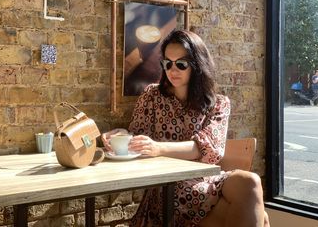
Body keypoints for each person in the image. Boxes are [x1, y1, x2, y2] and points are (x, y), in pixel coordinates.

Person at [102, 30, 270, 227]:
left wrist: (158, 148)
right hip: (170, 186)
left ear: (197, 65)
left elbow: (209, 150)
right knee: (260, 218)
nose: (173, 70)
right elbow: (138, 135)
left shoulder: (219, 104)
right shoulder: (152, 96)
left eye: (181, 64)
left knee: (250, 181)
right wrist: (120, 135)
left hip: (207, 179)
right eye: (167, 63)